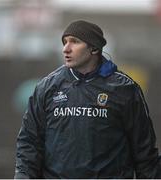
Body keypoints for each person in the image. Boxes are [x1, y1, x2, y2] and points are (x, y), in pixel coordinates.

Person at [14, 20, 161, 179]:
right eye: (64, 42)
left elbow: (144, 153)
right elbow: (29, 143)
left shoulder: (125, 89)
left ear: (94, 48)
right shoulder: (47, 87)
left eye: (74, 42)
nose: (66, 49)